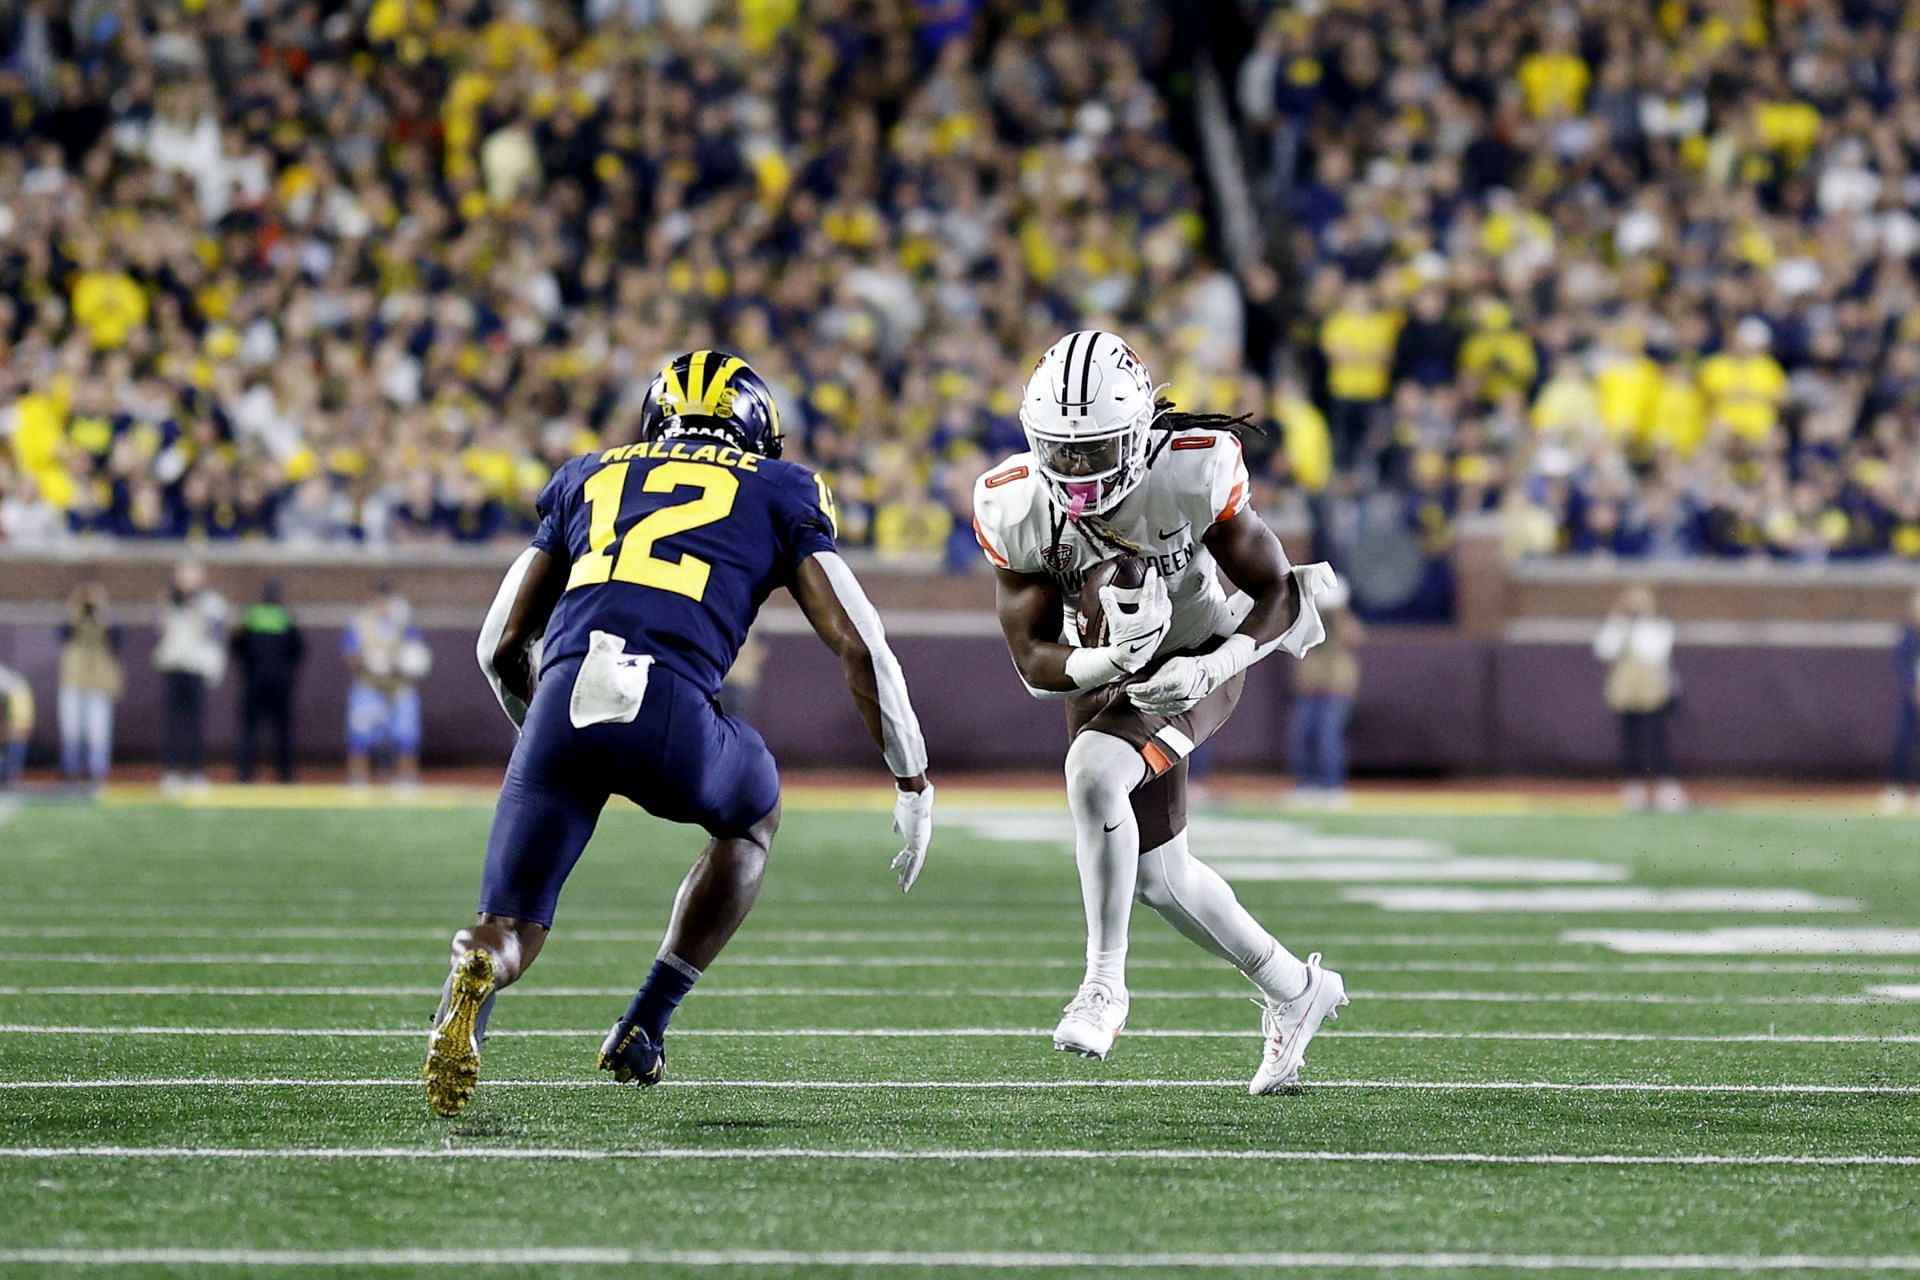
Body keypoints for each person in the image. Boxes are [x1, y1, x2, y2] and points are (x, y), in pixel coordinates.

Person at [425, 350, 935, 1118]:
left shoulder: (588, 475)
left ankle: (475, 971)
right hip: (670, 705)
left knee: (509, 925)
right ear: (756, 430)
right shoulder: (780, 488)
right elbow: (860, 642)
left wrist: (545, 742)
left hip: (564, 696)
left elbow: (497, 645)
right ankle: (647, 1024)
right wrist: (911, 778)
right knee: (753, 815)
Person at [972, 329, 1345, 1096]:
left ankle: (1104, 984)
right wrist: (1107, 662)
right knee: (1159, 877)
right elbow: (1033, 659)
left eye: (1094, 450)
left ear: (1138, 437)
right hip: (1103, 666)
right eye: (1060, 450)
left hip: (1200, 651)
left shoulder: (1192, 472)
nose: (1075, 471)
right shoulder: (1013, 505)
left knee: (1094, 772)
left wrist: (1218, 663)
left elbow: (1277, 590)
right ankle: (1295, 988)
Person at [1593, 585, 1684, 812]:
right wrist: (1619, 622)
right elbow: (1604, 650)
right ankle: (1633, 789)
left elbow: (1652, 653)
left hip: (1652, 693)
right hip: (1626, 693)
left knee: (1655, 742)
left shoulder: (1659, 626)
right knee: (1629, 741)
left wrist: (1640, 623)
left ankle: (1665, 789)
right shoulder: (1618, 625)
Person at [342, 584, 430, 787]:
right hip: (369, 685)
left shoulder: (404, 622)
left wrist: (398, 663)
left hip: (399, 685)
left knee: (406, 733)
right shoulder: (361, 622)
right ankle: (358, 778)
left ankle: (407, 778)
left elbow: (416, 655)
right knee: (360, 734)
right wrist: (370, 663)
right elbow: (350, 654)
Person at [153, 561, 229, 793]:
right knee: (173, 723)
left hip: (197, 668)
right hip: (174, 666)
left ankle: (196, 773)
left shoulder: (212, 602)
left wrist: (195, 608)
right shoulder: (168, 600)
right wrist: (169, 606)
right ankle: (172, 772)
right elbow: (161, 630)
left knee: (196, 723)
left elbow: (215, 632)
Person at [1289, 574, 1363, 805]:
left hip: (1335, 691)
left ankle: (1333, 786)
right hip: (1311, 691)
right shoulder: (1309, 619)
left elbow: (1353, 638)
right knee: (1302, 736)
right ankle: (1306, 785)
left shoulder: (1345, 621)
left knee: (1327, 738)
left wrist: (1338, 612)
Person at [230, 580, 305, 784]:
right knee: (282, 730)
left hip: (254, 680)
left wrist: (249, 668)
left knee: (249, 729)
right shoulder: (286, 617)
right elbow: (298, 650)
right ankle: (286, 776)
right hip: (281, 682)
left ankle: (245, 775)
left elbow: (236, 646)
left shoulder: (251, 616)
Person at [57, 584, 122, 786]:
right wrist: (75, 607)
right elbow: (63, 633)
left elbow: (118, 639)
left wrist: (102, 611)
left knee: (98, 731)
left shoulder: (107, 620)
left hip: (99, 682)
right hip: (73, 680)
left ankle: (97, 773)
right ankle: (70, 772)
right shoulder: (74, 617)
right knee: (72, 729)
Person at [1887, 588, 1920, 813]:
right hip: (1912, 699)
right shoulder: (1908, 637)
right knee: (1903, 739)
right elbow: (1902, 667)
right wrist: (1913, 689)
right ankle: (1895, 787)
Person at [0, 663, 31, 787]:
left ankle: (11, 776)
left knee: (18, 737)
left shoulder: (16, 687)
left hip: (18, 708)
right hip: (15, 710)